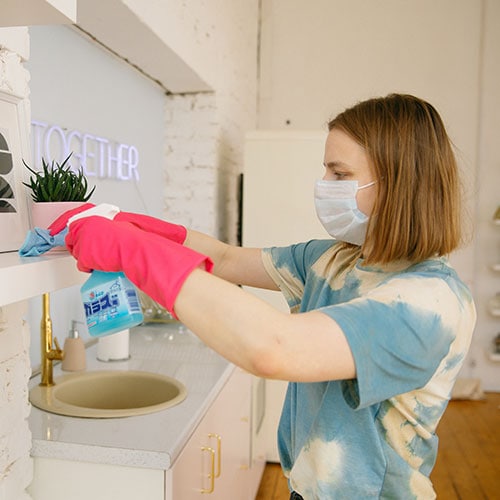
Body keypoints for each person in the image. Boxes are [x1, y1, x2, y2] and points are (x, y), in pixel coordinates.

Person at [50, 93, 476, 499]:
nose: (323, 184)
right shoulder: (334, 260)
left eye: (340, 174)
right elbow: (224, 257)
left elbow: (274, 347)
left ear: (400, 182)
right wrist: (128, 224)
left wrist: (132, 251)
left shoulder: (428, 302)